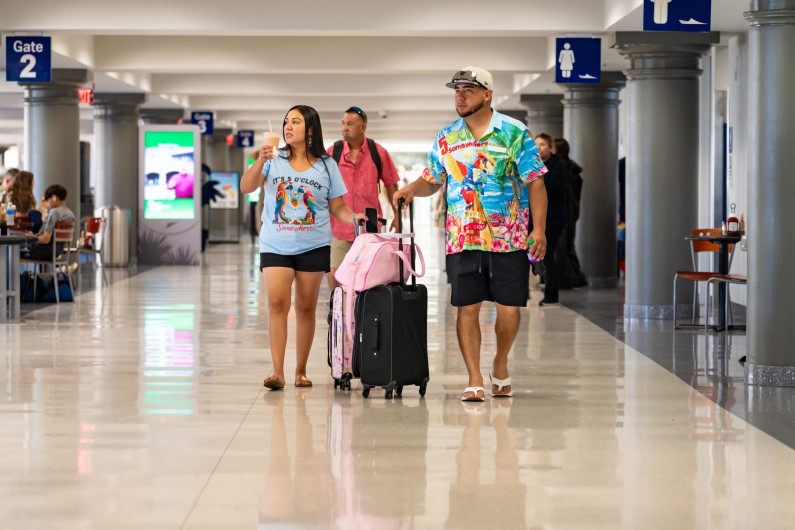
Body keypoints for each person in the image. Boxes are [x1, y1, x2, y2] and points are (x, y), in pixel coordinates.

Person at [393, 66, 548, 402]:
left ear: (487, 94)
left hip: (509, 238)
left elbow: (536, 181)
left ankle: (501, 362)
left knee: (508, 308)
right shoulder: (447, 138)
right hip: (462, 238)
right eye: (457, 90)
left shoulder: (514, 132)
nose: (460, 96)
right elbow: (433, 180)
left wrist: (540, 229)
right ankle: (474, 376)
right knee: (467, 307)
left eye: (468, 90)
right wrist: (409, 189)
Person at [240, 105, 366, 390]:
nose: (288, 126)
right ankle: (277, 372)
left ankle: (300, 370)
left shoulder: (326, 164)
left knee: (306, 306)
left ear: (310, 130)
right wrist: (259, 161)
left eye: (295, 122)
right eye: (286, 121)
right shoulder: (273, 159)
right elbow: (247, 187)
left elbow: (338, 207)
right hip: (276, 243)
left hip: (313, 244)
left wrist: (353, 216)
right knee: (276, 304)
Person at [326, 106, 401, 291]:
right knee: (336, 277)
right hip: (339, 228)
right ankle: (338, 313)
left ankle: (363, 315)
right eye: (343, 123)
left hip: (370, 229)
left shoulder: (378, 152)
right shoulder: (332, 153)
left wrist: (398, 217)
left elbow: (392, 186)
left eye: (350, 124)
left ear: (363, 127)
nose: (345, 128)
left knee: (368, 278)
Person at [534, 133, 568, 306]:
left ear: (550, 147)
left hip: (553, 217)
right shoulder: (535, 165)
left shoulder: (557, 166)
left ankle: (551, 294)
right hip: (537, 217)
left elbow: (547, 186)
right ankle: (542, 283)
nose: (539, 148)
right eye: (536, 145)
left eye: (542, 145)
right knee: (537, 255)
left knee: (547, 254)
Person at [554, 138, 587, 289]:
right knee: (568, 246)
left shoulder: (559, 169)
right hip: (572, 212)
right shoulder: (573, 168)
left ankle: (566, 279)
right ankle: (577, 278)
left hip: (562, 213)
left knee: (561, 247)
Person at [22, 184, 75, 260]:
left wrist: (32, 238)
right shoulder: (71, 214)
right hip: (58, 251)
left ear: (54, 198)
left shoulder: (54, 212)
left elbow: (46, 239)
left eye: (47, 199)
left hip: (46, 251)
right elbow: (66, 242)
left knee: (19, 249)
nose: (47, 203)